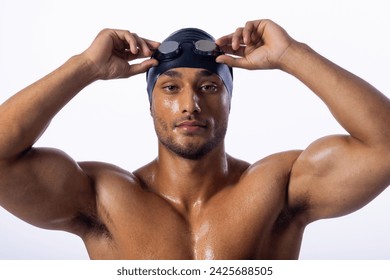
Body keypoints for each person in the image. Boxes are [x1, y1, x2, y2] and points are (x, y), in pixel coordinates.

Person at [0, 18, 389, 260]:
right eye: (170, 88)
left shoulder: (277, 187)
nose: (190, 104)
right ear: (150, 104)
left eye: (208, 87)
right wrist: (84, 66)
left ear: (229, 102)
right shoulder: (104, 198)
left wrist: (291, 54)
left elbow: (384, 146)